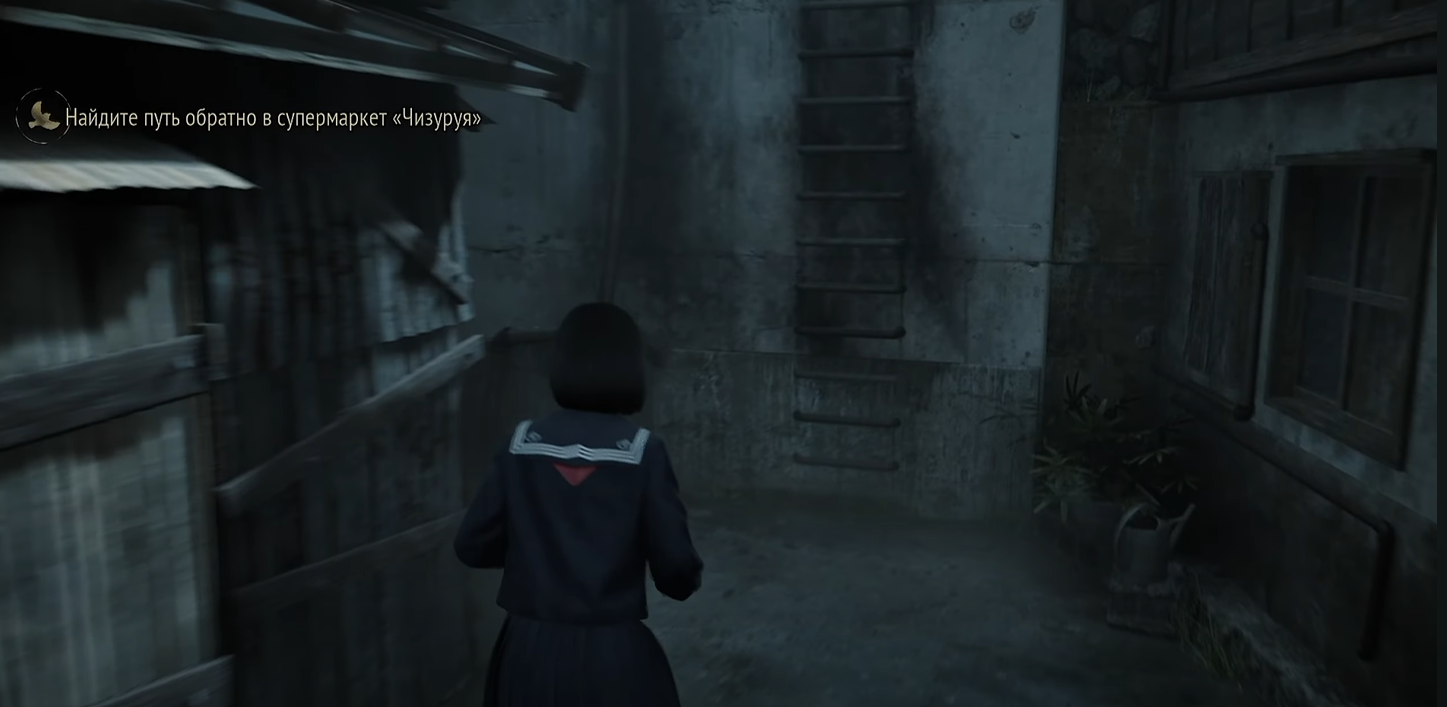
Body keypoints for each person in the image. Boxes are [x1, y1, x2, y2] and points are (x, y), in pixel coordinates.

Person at [454, 302, 705, 707]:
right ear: (630, 365)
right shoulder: (643, 451)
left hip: (527, 653)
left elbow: (471, 546)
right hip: (613, 657)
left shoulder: (521, 443)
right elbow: (676, 573)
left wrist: (534, 552)